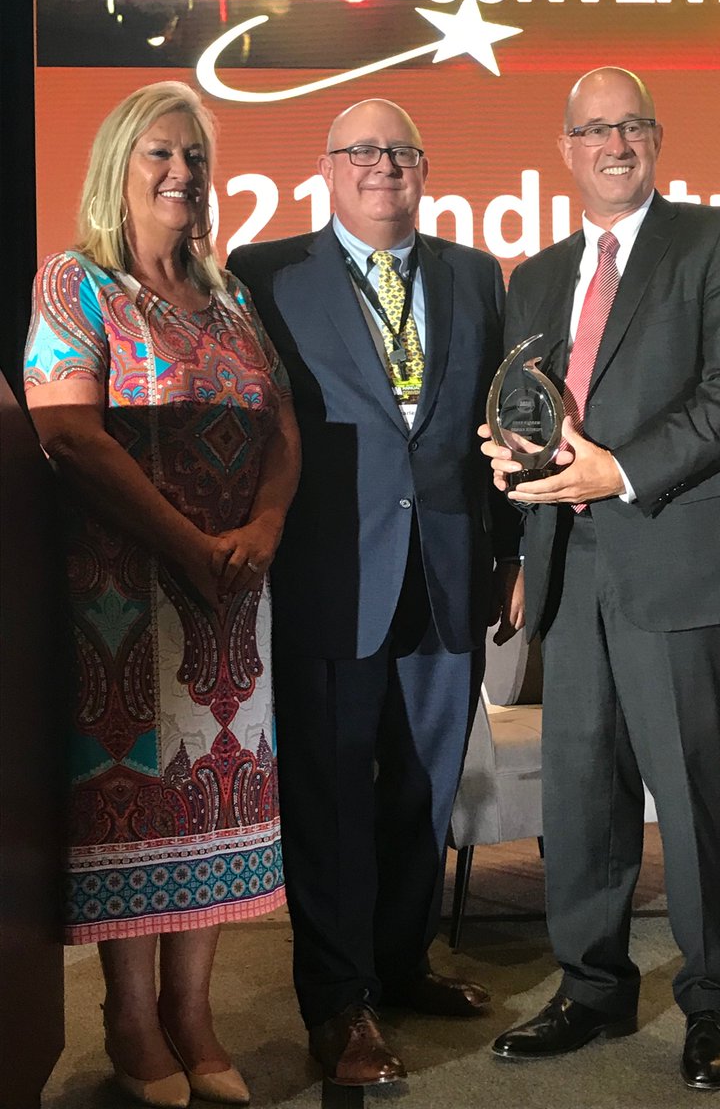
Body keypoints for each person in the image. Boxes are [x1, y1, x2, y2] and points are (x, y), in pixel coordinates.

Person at [480, 67, 720, 1090]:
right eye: (594, 129)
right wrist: (512, 465)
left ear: (656, 138)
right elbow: (529, 411)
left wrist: (621, 467)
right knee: (583, 789)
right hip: (569, 562)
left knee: (691, 795)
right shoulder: (535, 274)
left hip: (676, 552)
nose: (615, 143)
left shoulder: (717, 240)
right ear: (566, 148)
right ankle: (593, 989)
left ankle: (710, 1003)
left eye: (631, 125)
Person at [228, 98, 521, 1087]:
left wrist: (509, 552)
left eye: (398, 150)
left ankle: (400, 965)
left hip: (447, 571)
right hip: (328, 573)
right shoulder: (264, 276)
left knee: (424, 789)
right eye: (362, 150)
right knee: (330, 795)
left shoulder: (476, 275)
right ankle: (339, 1002)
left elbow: (503, 429)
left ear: (425, 168)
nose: (381, 164)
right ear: (327, 168)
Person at [24, 82, 301, 1109]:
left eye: (194, 155)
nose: (182, 173)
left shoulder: (229, 295)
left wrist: (262, 532)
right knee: (134, 811)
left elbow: (282, 428)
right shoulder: (76, 285)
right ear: (117, 168)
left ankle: (195, 1015)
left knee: (217, 798)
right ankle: (132, 1023)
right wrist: (187, 542)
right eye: (158, 155)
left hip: (232, 594)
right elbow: (69, 434)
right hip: (123, 600)